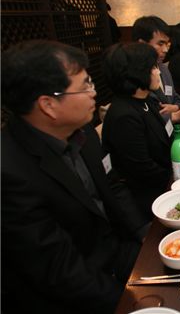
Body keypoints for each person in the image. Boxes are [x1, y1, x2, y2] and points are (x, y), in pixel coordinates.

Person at [1, 40, 147, 313]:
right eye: (85, 85)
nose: (94, 93)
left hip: (117, 251)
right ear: (48, 105)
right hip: (75, 289)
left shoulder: (84, 131)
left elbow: (113, 184)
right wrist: (131, 302)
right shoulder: (9, 172)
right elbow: (58, 271)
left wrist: (143, 233)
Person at [101, 43, 171, 219]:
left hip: (163, 185)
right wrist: (177, 178)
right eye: (153, 67)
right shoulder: (123, 115)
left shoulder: (146, 101)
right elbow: (143, 169)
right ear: (136, 71)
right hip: (147, 203)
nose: (158, 72)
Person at [132, 16, 180, 124]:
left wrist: (175, 107)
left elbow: (177, 99)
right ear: (142, 44)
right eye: (160, 44)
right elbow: (142, 118)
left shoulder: (163, 68)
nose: (165, 50)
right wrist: (175, 116)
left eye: (167, 44)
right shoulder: (133, 76)